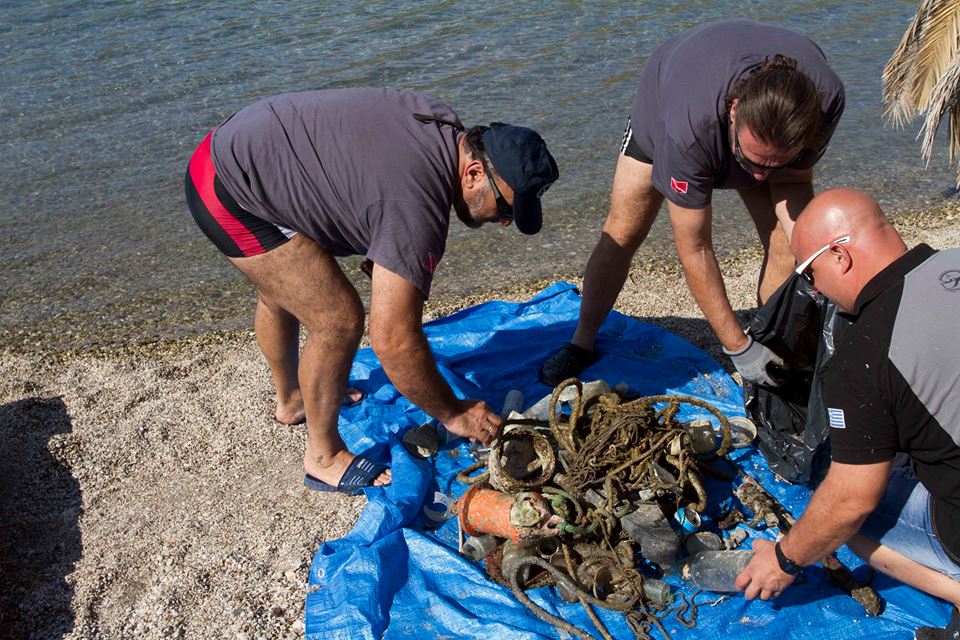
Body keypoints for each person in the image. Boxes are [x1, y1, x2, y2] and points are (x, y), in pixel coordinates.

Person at [184, 88, 558, 495]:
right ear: (472, 174)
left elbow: (360, 176)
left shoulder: (441, 124)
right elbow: (393, 341)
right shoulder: (418, 206)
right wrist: (454, 412)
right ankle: (322, 458)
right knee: (337, 318)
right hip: (230, 190)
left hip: (236, 147)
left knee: (284, 288)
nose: (504, 222)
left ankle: (293, 400)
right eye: (506, 208)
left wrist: (383, 250)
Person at [539, 20, 845, 388]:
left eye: (771, 166)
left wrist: (813, 261)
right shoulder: (687, 130)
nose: (758, 178)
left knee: (786, 237)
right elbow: (696, 249)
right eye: (750, 163)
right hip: (669, 109)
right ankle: (582, 339)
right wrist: (737, 347)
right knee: (623, 232)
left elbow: (793, 184)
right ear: (733, 112)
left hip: (758, 126)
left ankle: (772, 340)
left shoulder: (824, 101)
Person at [736, 188, 960, 640]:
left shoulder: (862, 355)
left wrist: (784, 559)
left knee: (838, 521)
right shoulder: (952, 260)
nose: (813, 290)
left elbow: (851, 501)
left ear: (839, 255)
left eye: (810, 274)